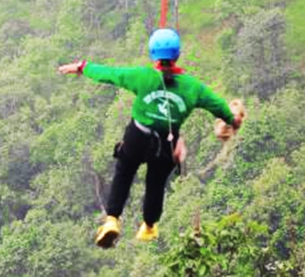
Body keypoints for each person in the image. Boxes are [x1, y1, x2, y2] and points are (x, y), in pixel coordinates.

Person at [58, 28, 244, 248]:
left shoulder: (142, 76)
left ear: (152, 53)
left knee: (124, 171)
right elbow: (220, 107)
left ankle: (112, 220)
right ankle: (148, 226)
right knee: (155, 184)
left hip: (138, 135)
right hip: (167, 142)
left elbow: (110, 74)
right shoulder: (194, 88)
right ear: (178, 54)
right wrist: (233, 120)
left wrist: (82, 67)